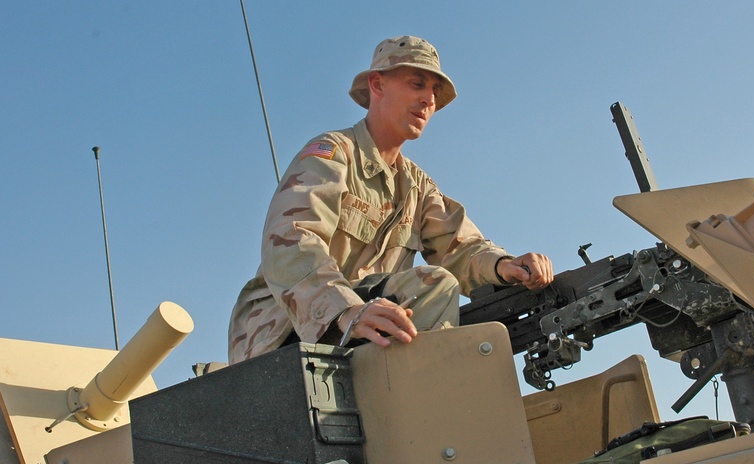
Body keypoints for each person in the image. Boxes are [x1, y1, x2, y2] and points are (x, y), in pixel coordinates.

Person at [228, 35, 553, 363]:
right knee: (433, 284)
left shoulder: (415, 186)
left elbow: (461, 249)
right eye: (417, 83)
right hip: (286, 329)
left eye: (434, 93)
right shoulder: (333, 154)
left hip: (365, 322)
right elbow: (291, 241)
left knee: (436, 299)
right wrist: (346, 309)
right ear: (377, 84)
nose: (428, 100)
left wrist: (503, 265)